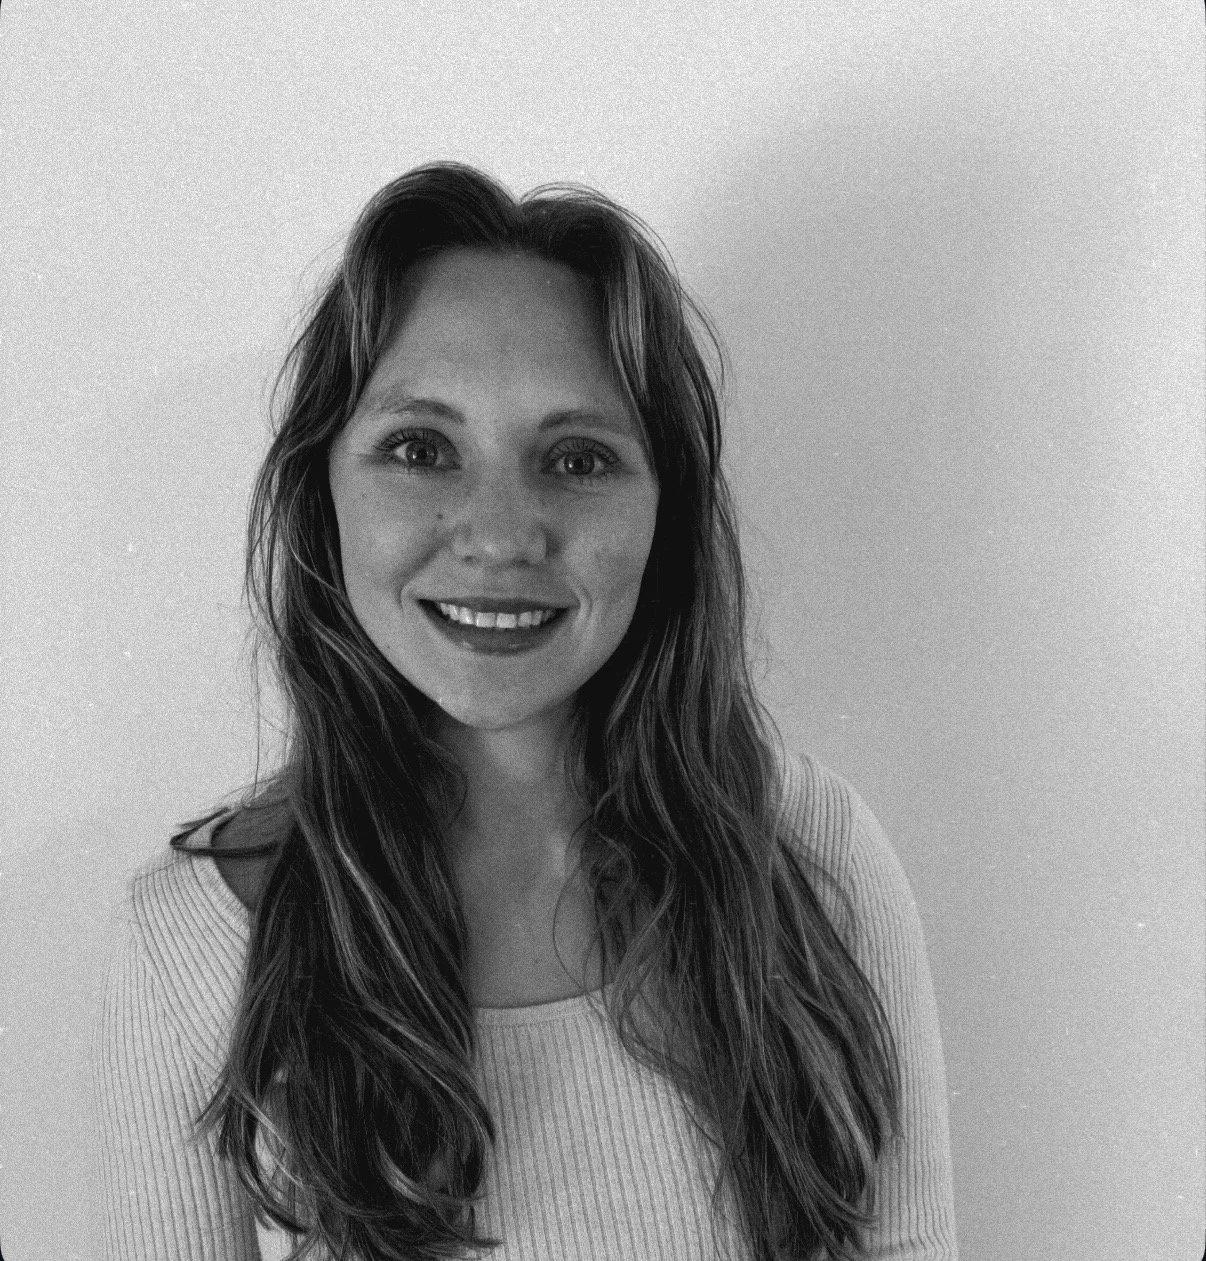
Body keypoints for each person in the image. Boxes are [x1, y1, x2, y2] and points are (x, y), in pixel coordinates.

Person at [90, 162, 958, 1261]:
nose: (501, 534)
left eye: (577, 459)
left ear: (667, 514)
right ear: (325, 492)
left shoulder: (810, 857)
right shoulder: (190, 947)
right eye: (421, 449)